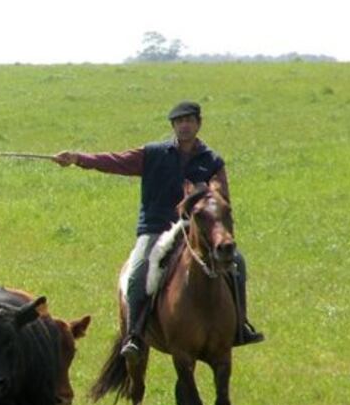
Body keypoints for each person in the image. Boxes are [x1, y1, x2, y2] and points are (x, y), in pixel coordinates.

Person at [52, 101, 263, 360]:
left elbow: (220, 193)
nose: (184, 125)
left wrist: (205, 195)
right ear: (173, 126)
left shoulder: (212, 160)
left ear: (199, 123)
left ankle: (240, 326)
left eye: (189, 120)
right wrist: (78, 158)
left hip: (196, 229)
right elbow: (115, 161)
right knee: (137, 273)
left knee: (237, 262)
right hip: (156, 229)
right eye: (179, 121)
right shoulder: (153, 153)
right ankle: (135, 335)